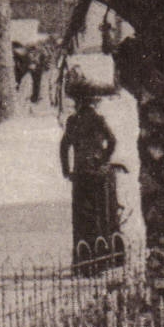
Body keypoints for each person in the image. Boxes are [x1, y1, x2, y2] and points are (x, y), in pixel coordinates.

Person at [60, 77, 125, 273]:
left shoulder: (73, 121)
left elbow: (64, 146)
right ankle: (105, 258)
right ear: (93, 102)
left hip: (80, 174)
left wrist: (67, 171)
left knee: (83, 217)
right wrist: (102, 159)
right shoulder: (98, 120)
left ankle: (84, 260)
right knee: (102, 214)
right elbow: (112, 141)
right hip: (99, 174)